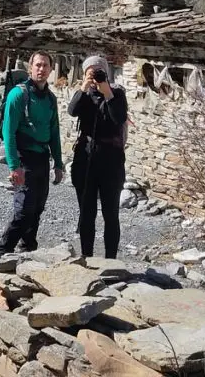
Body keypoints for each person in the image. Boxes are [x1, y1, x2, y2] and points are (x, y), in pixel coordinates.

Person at [0, 51, 64, 258]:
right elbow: (8, 131)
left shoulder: (50, 99)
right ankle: (3, 252)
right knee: (24, 209)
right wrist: (13, 165)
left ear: (51, 70)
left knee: (37, 208)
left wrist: (58, 164)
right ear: (30, 68)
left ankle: (27, 251)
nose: (41, 69)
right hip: (23, 156)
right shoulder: (18, 95)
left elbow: (54, 132)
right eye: (38, 65)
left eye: (45, 66)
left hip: (42, 158)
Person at [68, 55, 127, 259]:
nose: (95, 76)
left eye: (98, 71)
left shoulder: (117, 93)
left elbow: (119, 118)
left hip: (111, 161)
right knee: (86, 212)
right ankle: (87, 257)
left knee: (111, 214)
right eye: (90, 72)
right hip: (85, 159)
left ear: (107, 73)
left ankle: (111, 261)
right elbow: (72, 111)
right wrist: (84, 87)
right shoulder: (84, 94)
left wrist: (107, 92)